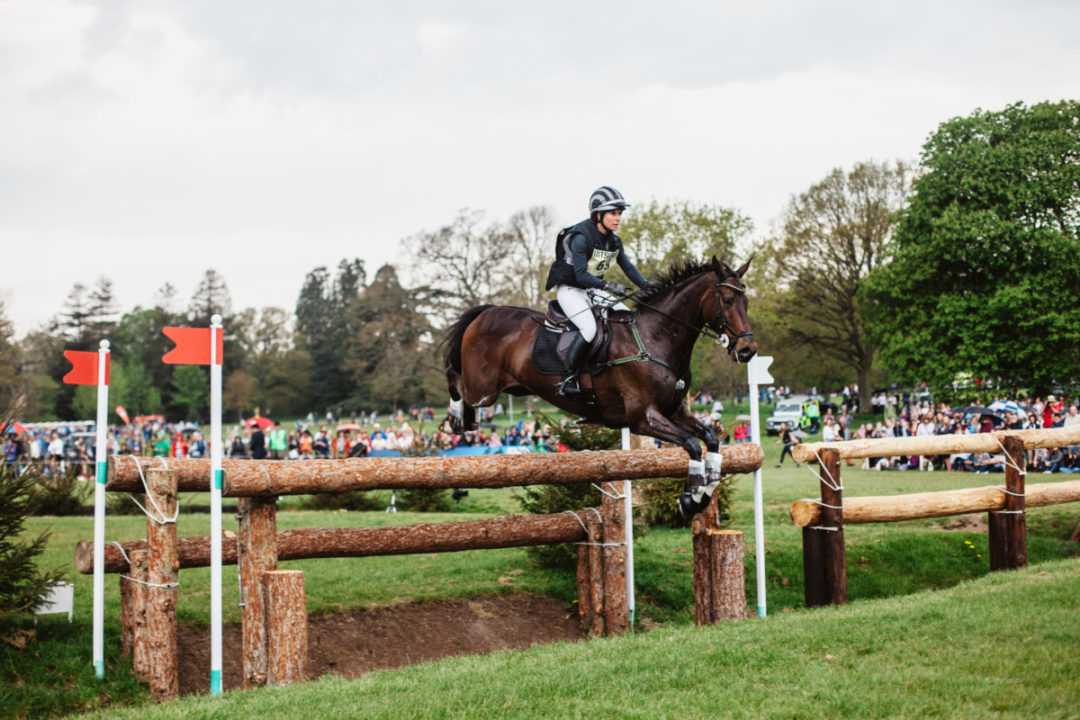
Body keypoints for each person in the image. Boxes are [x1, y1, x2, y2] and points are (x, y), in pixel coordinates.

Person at [544, 186, 653, 395]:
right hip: (571, 290)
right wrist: (608, 286)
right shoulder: (581, 238)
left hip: (592, 290)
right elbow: (580, 275)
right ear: (598, 214)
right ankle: (567, 379)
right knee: (589, 328)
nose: (618, 218)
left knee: (626, 317)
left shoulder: (613, 240)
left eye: (620, 214)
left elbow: (628, 267)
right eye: (613, 213)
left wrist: (646, 285)